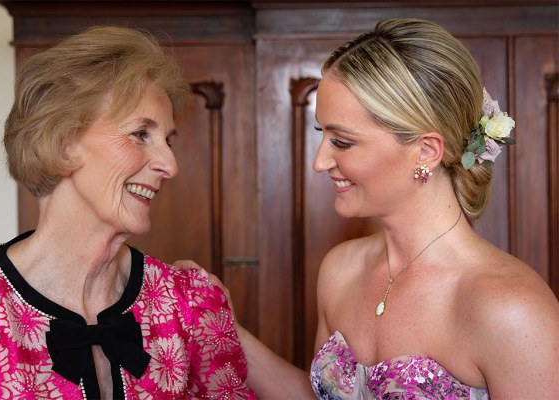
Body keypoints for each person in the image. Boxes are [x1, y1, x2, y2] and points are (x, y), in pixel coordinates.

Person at [189, 18, 559, 399]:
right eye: (322, 135)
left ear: (427, 151)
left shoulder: (512, 310)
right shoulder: (340, 270)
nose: (320, 162)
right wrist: (225, 328)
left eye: (343, 142)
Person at [0, 26, 254, 399]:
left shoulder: (188, 304)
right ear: (63, 141)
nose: (170, 165)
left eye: (168, 140)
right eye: (140, 134)